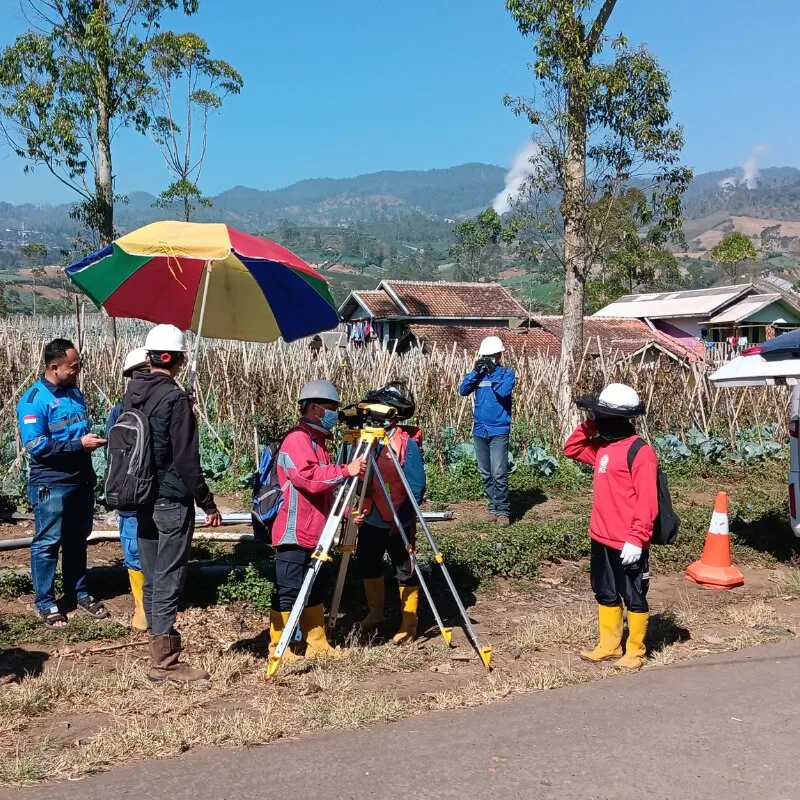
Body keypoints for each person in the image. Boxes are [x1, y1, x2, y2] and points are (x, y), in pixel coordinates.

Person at [125, 324, 222, 685]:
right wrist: (208, 503)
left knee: (152, 576)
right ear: (175, 358)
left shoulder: (133, 392)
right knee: (169, 578)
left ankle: (156, 647)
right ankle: (165, 662)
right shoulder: (175, 399)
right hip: (170, 499)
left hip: (140, 496)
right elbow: (186, 460)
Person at [268, 380, 366, 661]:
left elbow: (327, 486)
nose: (335, 413)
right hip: (294, 529)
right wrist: (347, 469)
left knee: (315, 586)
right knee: (288, 588)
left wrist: (346, 512)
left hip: (317, 530)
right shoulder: (297, 440)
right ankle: (280, 647)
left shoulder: (318, 442)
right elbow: (307, 478)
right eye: (331, 408)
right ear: (313, 408)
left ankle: (316, 643)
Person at [563, 383, 658, 671]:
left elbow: (647, 501)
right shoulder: (603, 448)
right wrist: (590, 424)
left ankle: (635, 651)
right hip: (600, 537)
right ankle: (609, 645)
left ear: (619, 418)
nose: (598, 419)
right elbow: (572, 448)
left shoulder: (641, 452)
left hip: (628, 541)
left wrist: (637, 538)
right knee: (604, 591)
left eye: (602, 415)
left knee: (634, 595)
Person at [16, 338, 108, 627]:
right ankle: (45, 602)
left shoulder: (75, 392)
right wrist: (79, 445)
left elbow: (78, 431)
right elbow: (36, 445)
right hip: (51, 484)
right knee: (47, 542)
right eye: (73, 367)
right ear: (54, 367)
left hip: (79, 480)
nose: (77, 371)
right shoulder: (34, 400)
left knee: (77, 541)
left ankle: (78, 592)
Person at [355, 382, 426, 644]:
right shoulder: (367, 442)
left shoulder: (407, 445)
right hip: (373, 517)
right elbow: (360, 478)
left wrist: (403, 517)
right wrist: (359, 504)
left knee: (404, 568)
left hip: (399, 517)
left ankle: (409, 622)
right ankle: (376, 613)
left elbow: (416, 486)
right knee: (366, 561)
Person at [105, 347, 149, 632]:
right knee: (134, 547)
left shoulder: (170, 405)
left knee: (154, 548)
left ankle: (155, 604)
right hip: (132, 494)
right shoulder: (120, 412)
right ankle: (142, 607)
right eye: (138, 375)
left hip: (156, 495)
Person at [458, 335, 516, 527]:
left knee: (499, 472)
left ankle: (502, 511)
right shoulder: (479, 374)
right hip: (480, 429)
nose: (489, 358)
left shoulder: (507, 373)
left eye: (492, 355)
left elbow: (503, 392)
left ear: (499, 355)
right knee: (485, 472)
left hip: (498, 429)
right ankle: (493, 505)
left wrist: (492, 374)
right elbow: (463, 390)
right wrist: (475, 371)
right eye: (486, 356)